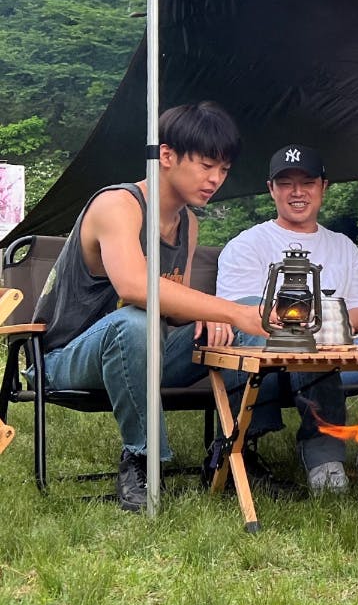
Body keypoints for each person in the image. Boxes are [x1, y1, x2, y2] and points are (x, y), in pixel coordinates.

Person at [32, 101, 264, 512]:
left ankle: (231, 451)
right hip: (66, 357)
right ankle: (140, 460)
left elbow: (174, 308)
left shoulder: (188, 223)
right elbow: (135, 286)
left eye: (224, 169)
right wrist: (226, 310)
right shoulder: (118, 204)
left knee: (250, 312)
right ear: (167, 155)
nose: (215, 179)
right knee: (136, 322)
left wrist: (213, 313)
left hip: (148, 352)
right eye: (206, 165)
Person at [215, 144, 358, 493]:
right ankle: (324, 458)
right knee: (309, 344)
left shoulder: (343, 246)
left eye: (307, 182)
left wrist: (322, 324)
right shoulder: (247, 245)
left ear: (323, 187)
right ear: (271, 189)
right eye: (286, 183)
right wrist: (312, 328)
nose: (297, 192)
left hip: (344, 346)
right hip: (275, 359)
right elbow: (241, 316)